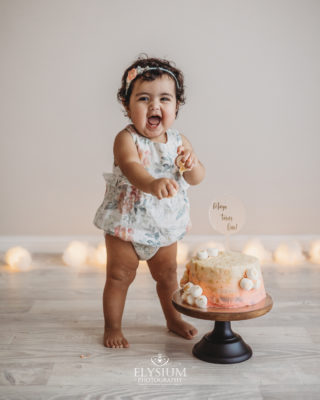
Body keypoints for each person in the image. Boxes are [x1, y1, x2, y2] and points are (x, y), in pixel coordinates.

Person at [93, 56, 205, 348]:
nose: (155, 106)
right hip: (126, 224)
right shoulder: (126, 139)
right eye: (144, 98)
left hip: (165, 226)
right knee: (118, 276)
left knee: (168, 276)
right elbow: (132, 168)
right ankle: (112, 326)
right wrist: (152, 184)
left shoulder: (180, 142)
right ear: (127, 106)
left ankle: (173, 319)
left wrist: (192, 164)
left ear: (176, 107)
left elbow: (197, 178)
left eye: (164, 99)